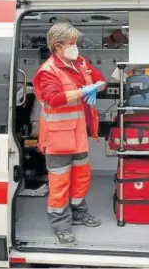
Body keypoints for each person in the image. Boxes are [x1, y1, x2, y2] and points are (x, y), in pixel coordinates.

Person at [32, 22, 107, 244]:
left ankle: (79, 213)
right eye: (71, 43)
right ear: (57, 46)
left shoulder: (80, 62)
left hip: (78, 135)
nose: (76, 47)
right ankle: (61, 225)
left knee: (81, 177)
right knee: (59, 182)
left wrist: (97, 86)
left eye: (76, 42)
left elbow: (100, 79)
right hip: (57, 139)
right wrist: (83, 91)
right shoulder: (47, 71)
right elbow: (52, 99)